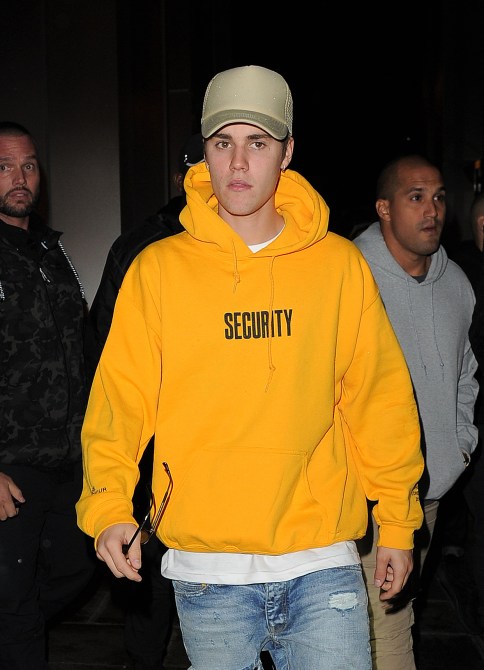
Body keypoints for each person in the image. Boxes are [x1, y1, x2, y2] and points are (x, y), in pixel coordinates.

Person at [76, 65, 425, 669]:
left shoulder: (338, 267)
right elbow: (120, 400)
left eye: (257, 143)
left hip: (321, 561)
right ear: (204, 153)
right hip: (208, 572)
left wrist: (397, 521)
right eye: (223, 143)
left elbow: (378, 399)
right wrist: (108, 507)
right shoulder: (157, 271)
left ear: (286, 152)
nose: (238, 163)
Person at [353, 155, 479, 669]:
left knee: (386, 622)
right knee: (387, 630)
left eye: (440, 197)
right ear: (384, 208)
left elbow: (465, 374)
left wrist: (458, 447)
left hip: (428, 495)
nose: (433, 210)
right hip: (366, 499)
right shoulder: (350, 276)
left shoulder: (457, 284)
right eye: (416, 197)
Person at [86, 132, 204, 670]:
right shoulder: (141, 246)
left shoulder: (257, 245)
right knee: (148, 567)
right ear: (180, 177)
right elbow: (103, 346)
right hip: (154, 438)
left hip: (221, 440)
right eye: (196, 169)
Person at [0, 121, 96, 669]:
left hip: (69, 457)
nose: (20, 178)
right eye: (5, 166)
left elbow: (83, 349)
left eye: (29, 165)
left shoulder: (50, 252)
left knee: (79, 567)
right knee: (14, 604)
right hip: (12, 465)